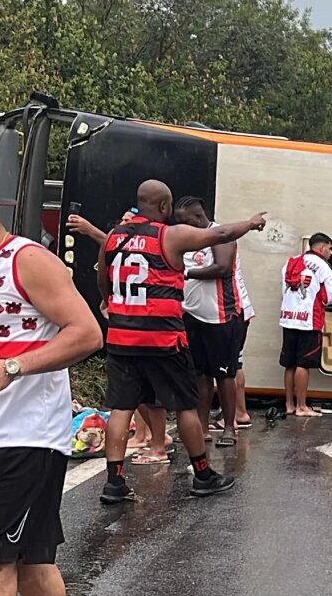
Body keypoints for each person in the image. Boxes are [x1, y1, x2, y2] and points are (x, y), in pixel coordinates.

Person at [0, 168, 103, 596]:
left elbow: (87, 333)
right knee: (33, 565)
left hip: (26, 439)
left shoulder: (27, 260)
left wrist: (11, 368)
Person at [99, 180, 265, 503]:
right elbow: (217, 235)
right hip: (162, 337)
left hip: (121, 337)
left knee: (121, 407)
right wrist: (249, 222)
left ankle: (114, 482)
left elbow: (102, 281)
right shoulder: (168, 236)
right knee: (186, 406)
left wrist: (113, 306)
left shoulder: (113, 237)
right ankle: (203, 474)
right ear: (163, 207)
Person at [65, 209, 170, 463]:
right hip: (126, 324)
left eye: (127, 220)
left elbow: (112, 242)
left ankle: (156, 440)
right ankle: (146, 436)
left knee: (140, 392)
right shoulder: (122, 242)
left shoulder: (143, 242)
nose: (123, 224)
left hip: (141, 326)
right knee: (133, 393)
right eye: (121, 220)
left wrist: (90, 230)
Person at [173, 196, 243, 447]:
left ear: (198, 217)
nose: (182, 226)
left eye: (185, 221)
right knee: (200, 374)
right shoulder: (188, 240)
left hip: (221, 315)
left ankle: (229, 428)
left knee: (224, 374)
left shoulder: (220, 235)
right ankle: (201, 428)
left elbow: (222, 268)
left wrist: (187, 273)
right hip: (192, 313)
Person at [279, 233, 332, 417]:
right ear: (321, 248)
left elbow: (284, 290)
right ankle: (301, 406)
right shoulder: (323, 267)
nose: (331, 252)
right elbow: (329, 297)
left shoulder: (290, 262)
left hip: (288, 318)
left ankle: (289, 404)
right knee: (303, 363)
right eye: (330, 248)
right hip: (309, 321)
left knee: (290, 364)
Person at [234, 255, 255, 427]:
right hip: (241, 308)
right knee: (236, 363)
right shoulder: (225, 242)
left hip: (232, 310)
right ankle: (240, 412)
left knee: (229, 367)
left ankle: (236, 414)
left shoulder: (217, 244)